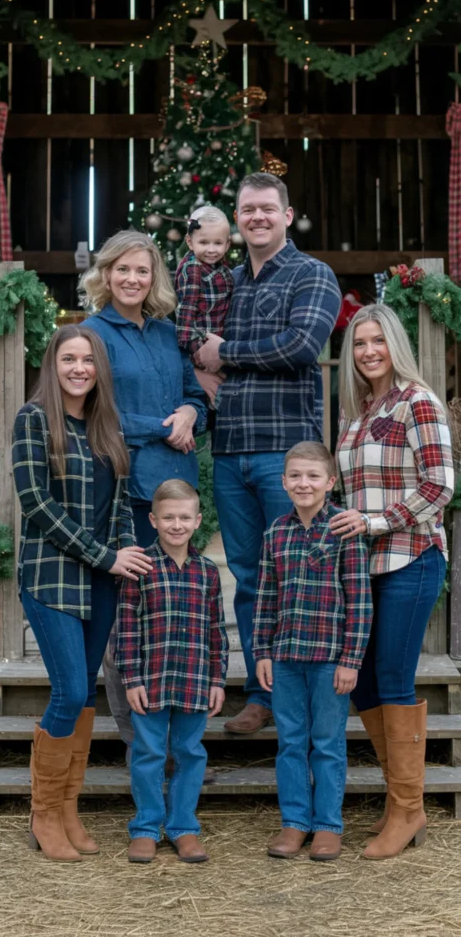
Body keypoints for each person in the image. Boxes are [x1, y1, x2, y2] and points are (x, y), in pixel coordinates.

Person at [197, 172, 342, 734]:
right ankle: (262, 695)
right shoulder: (226, 280)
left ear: (286, 215)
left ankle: (305, 696)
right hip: (231, 450)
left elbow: (300, 345)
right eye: (247, 210)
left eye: (266, 208)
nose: (256, 217)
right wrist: (198, 370)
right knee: (249, 575)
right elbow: (197, 342)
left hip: (286, 453)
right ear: (237, 219)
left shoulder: (312, 275)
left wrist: (226, 353)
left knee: (299, 573)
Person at [12, 325, 147, 863]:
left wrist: (126, 552)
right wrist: (104, 555)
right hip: (51, 576)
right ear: (53, 364)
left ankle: (68, 811)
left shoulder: (105, 426)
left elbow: (120, 506)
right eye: (68, 358)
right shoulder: (32, 420)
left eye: (87, 360)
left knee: (86, 694)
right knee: (69, 691)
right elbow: (36, 504)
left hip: (102, 581)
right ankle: (44, 814)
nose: (78, 368)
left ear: (99, 370)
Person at [332, 304, 454, 860]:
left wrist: (377, 522)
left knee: (392, 679)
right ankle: (399, 799)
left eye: (377, 341)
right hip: (363, 567)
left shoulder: (417, 401)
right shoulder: (356, 411)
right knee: (361, 682)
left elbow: (439, 486)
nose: (368, 352)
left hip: (411, 557)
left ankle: (408, 809)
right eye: (359, 343)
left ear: (395, 345)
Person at [80, 230, 207, 754]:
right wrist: (162, 425)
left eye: (142, 270)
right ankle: (140, 746)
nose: (132, 279)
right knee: (129, 619)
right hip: (127, 493)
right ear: (106, 274)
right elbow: (95, 413)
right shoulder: (92, 334)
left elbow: (195, 394)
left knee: (175, 615)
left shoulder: (167, 333)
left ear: (154, 278)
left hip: (177, 493)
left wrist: (191, 411)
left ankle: (178, 745)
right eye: (123, 269)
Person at [253, 441, 372, 862]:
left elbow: (359, 601)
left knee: (326, 743)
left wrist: (350, 660)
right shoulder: (275, 532)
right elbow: (265, 598)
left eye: (313, 476)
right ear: (284, 482)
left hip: (329, 660)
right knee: (290, 742)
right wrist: (262, 652)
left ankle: (327, 825)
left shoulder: (343, 529)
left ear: (330, 481)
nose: (304, 483)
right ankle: (294, 822)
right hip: (285, 658)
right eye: (296, 476)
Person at [115, 480, 229, 864]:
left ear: (198, 520)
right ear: (153, 520)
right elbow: (126, 628)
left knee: (189, 753)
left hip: (195, 680)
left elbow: (217, 631)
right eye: (168, 517)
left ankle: (183, 827)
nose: (176, 525)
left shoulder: (208, 572)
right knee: (148, 752)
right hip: (151, 680)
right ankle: (146, 827)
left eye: (184, 517)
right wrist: (131, 678)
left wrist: (217, 680)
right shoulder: (139, 568)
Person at [174, 206, 233, 396]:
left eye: (218, 243)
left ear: (227, 244)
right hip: (200, 349)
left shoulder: (220, 267)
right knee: (208, 395)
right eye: (204, 242)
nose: (211, 249)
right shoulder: (193, 270)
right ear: (190, 242)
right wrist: (200, 353)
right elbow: (185, 318)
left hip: (219, 344)